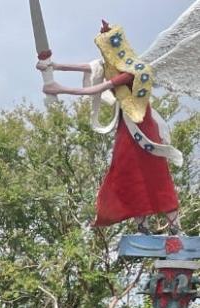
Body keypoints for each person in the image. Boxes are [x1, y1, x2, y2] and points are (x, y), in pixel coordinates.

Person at [41, 21, 181, 232]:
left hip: (142, 128)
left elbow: (99, 88)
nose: (104, 57)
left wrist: (59, 88)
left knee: (155, 173)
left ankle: (174, 224)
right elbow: (89, 67)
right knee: (126, 172)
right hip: (126, 127)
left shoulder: (133, 71)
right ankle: (142, 224)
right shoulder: (112, 66)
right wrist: (54, 66)